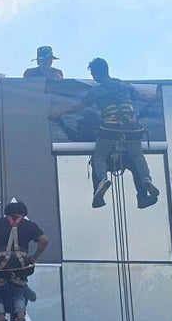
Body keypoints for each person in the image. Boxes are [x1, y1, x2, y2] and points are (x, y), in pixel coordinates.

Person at [53, 58, 160, 210]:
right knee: (137, 156)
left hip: (110, 127)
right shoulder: (124, 85)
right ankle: (146, 180)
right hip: (131, 126)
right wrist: (160, 97)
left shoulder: (98, 90)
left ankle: (102, 181)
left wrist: (59, 112)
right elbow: (144, 97)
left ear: (96, 73)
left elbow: (79, 106)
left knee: (100, 155)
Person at [0, 200, 48, 321]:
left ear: (7, 212)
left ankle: (1, 319)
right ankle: (20, 316)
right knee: (19, 290)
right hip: (20, 266)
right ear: (23, 213)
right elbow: (44, 239)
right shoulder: (29, 225)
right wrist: (34, 257)